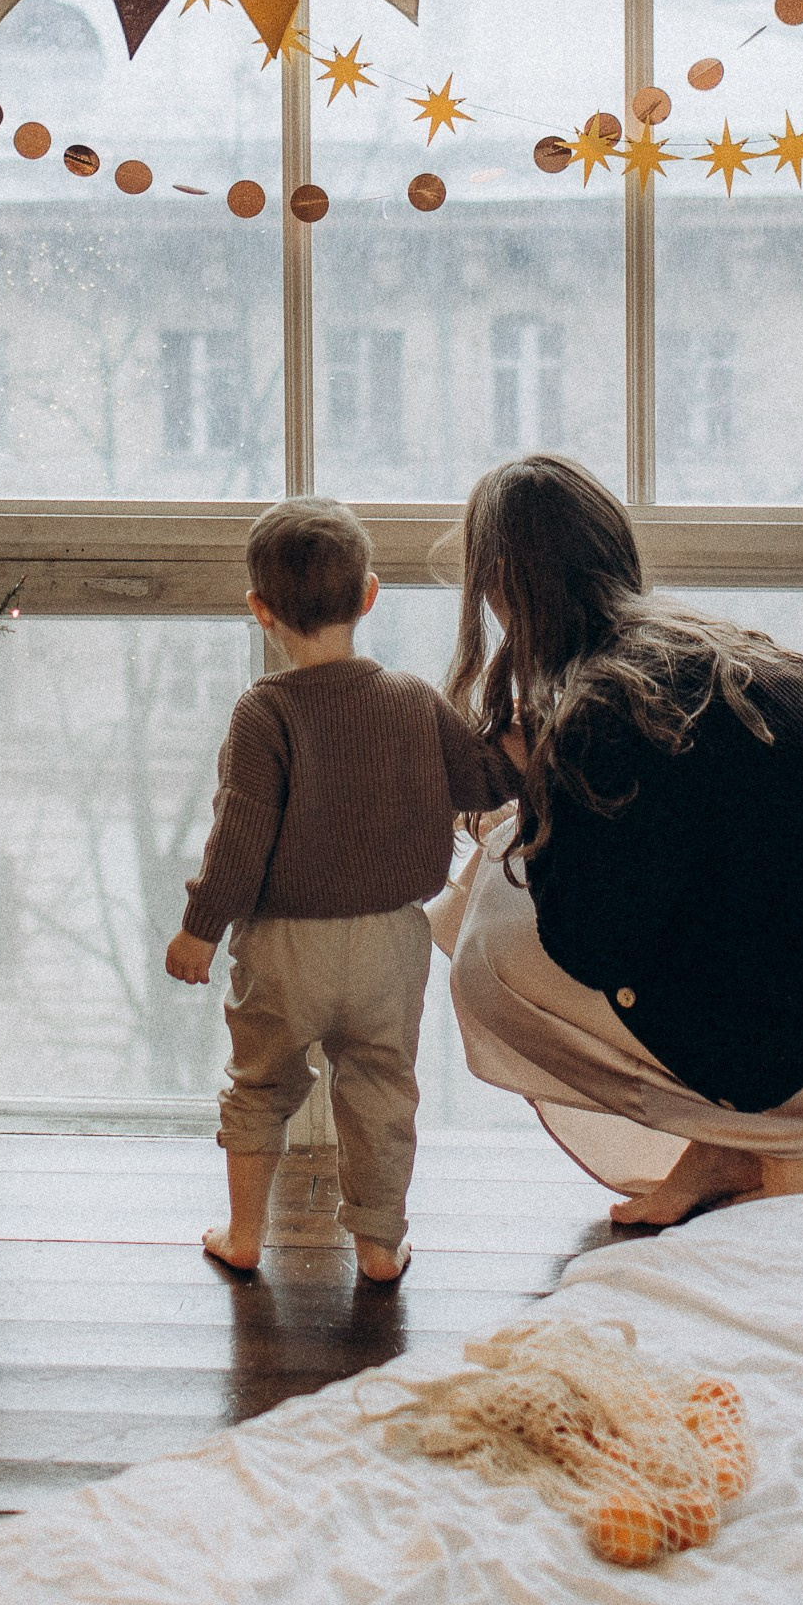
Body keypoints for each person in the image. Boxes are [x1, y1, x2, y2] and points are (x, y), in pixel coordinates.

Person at [440, 454, 803, 1231]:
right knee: (509, 876)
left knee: (483, 956)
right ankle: (720, 1150)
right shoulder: (705, 646)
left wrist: (535, 787)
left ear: (497, 587)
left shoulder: (604, 703)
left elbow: (591, 945)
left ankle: (789, 1140)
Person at [165, 497, 517, 1285]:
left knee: (259, 1087)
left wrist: (200, 929)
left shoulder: (265, 712)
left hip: (285, 944)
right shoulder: (413, 698)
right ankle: (378, 1247)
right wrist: (523, 727)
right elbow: (487, 781)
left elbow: (239, 835)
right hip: (392, 940)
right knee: (382, 1091)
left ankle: (247, 1234)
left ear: (260, 610)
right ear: (368, 595)